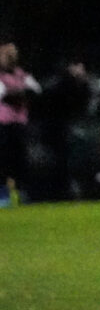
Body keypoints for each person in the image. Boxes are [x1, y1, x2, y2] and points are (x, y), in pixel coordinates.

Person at [0, 36, 42, 205]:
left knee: (21, 160)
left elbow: (36, 90)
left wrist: (19, 93)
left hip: (19, 124)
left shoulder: (21, 74)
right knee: (2, 160)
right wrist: (19, 93)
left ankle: (22, 193)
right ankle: (3, 195)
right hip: (2, 124)